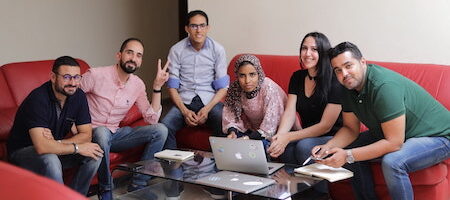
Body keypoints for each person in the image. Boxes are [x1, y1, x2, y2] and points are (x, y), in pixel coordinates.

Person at [313, 41, 450, 200]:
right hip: (402, 132)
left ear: (362, 62)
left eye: (348, 65)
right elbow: (350, 129)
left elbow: (394, 142)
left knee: (393, 162)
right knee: (350, 147)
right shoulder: (347, 88)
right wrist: (328, 147)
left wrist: (348, 155)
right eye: (338, 70)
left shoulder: (383, 86)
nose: (344, 74)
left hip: (439, 136)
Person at [80, 38, 169, 200]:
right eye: (129, 53)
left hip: (116, 134)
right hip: (92, 132)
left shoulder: (138, 85)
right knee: (101, 132)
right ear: (119, 55)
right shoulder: (95, 75)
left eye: (138, 55)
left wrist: (157, 87)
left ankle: (138, 184)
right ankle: (105, 190)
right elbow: (70, 97)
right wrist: (73, 126)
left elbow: (151, 119)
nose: (133, 58)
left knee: (161, 130)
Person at [7, 56, 104, 196]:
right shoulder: (38, 99)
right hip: (22, 153)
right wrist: (75, 147)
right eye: (67, 77)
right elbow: (42, 147)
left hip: (54, 148)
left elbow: (86, 135)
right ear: (53, 77)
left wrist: (56, 143)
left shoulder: (79, 96)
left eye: (77, 77)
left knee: (95, 153)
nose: (73, 83)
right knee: (50, 158)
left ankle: (75, 197)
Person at [268, 32, 343, 167]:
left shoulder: (335, 81)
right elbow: (290, 112)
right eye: (304, 48)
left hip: (333, 136)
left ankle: (319, 189)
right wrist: (280, 137)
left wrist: (289, 137)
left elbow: (325, 126)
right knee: (287, 149)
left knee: (303, 147)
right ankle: (294, 187)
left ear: (324, 53)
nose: (307, 53)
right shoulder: (297, 77)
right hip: (307, 134)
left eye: (314, 49)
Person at [162, 10, 229, 149]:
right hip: (184, 101)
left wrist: (206, 109)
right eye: (194, 26)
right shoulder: (176, 50)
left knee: (224, 120)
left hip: (209, 101)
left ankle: (220, 165)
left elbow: (223, 87)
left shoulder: (218, 50)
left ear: (208, 28)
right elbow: (172, 87)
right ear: (187, 28)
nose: (198, 30)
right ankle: (173, 167)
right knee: (165, 126)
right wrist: (185, 111)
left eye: (202, 25)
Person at [223, 54, 287, 150]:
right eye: (242, 76)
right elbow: (231, 117)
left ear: (259, 73)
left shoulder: (268, 88)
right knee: (227, 145)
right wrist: (232, 132)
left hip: (274, 131)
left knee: (257, 148)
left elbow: (269, 128)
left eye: (252, 74)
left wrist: (247, 138)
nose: (247, 81)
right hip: (252, 129)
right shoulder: (235, 89)